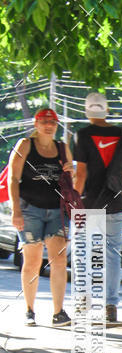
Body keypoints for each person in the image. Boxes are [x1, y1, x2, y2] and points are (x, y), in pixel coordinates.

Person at [8, 107, 74, 326]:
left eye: (52, 122)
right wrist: (16, 211)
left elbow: (69, 180)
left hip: (57, 210)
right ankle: (29, 310)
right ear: (36, 125)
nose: (48, 126)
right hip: (30, 209)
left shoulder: (63, 148)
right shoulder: (25, 145)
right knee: (33, 260)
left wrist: (69, 171)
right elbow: (13, 179)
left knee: (59, 260)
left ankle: (58, 312)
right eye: (44, 122)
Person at [73, 92, 122, 323]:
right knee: (112, 255)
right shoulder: (121, 134)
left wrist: (73, 201)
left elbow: (81, 174)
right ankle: (110, 306)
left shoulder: (82, 135)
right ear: (106, 110)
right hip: (116, 202)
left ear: (87, 112)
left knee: (83, 254)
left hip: (88, 203)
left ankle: (83, 303)